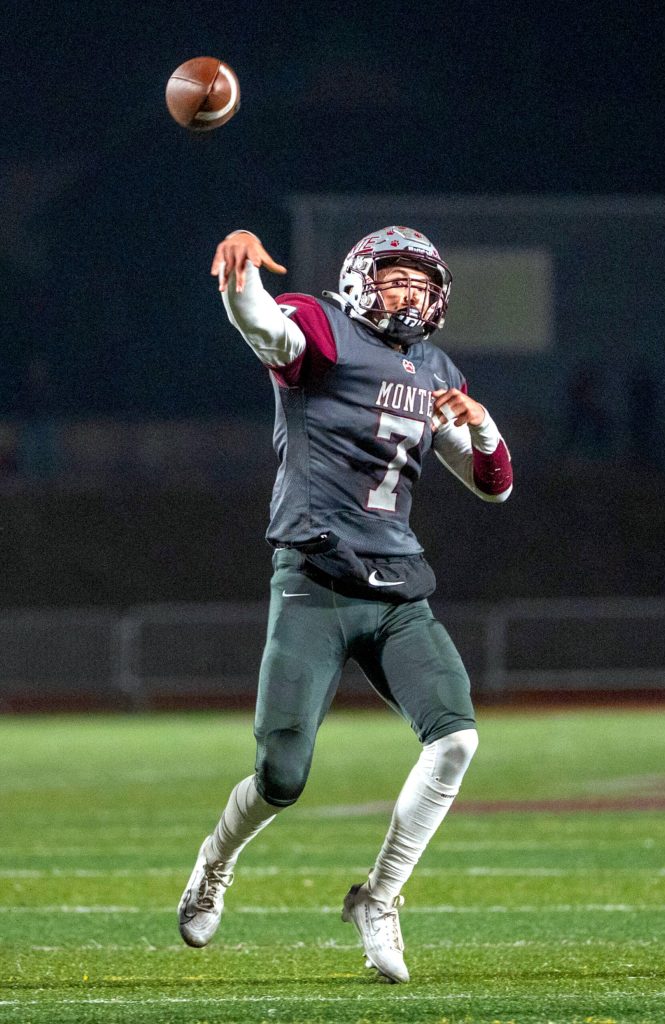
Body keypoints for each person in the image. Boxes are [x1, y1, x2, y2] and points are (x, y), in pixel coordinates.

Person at [178, 226, 513, 983]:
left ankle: (379, 897)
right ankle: (214, 862)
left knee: (456, 740)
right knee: (281, 778)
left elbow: (492, 485)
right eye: (396, 278)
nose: (409, 294)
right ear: (362, 280)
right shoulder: (324, 330)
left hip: (396, 589)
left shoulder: (436, 369)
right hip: (316, 583)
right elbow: (264, 327)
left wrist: (482, 423)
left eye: (421, 284)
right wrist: (239, 275)